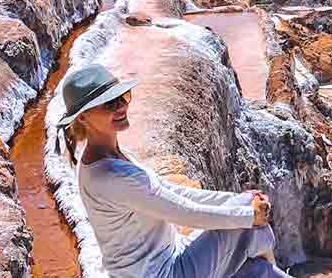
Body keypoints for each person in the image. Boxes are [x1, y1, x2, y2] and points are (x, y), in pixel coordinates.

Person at [56, 63, 289, 278]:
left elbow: (172, 191)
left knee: (255, 266)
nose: (121, 107)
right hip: (163, 273)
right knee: (252, 230)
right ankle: (273, 264)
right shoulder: (113, 177)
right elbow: (184, 213)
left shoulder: (109, 156)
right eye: (109, 103)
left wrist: (240, 200)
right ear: (83, 117)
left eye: (122, 97)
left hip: (165, 259)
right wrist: (250, 216)